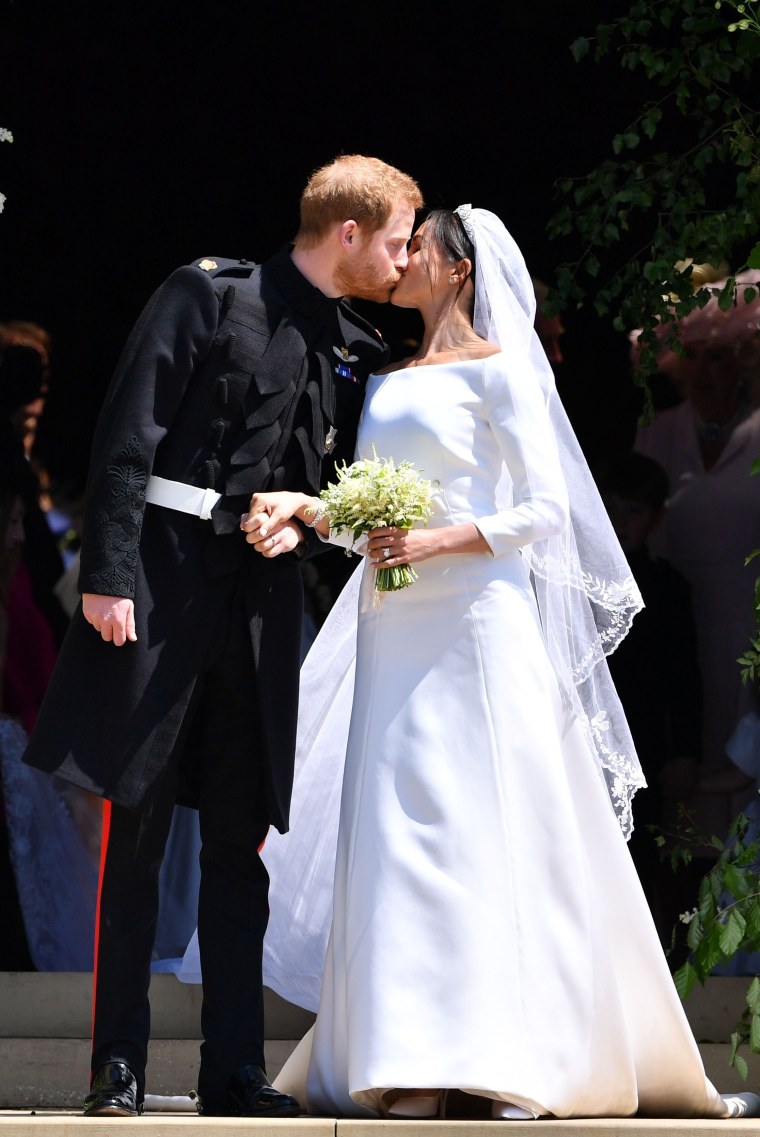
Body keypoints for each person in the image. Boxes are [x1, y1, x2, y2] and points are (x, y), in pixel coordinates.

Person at [233, 207, 759, 1120]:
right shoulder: (390, 376)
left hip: (476, 621)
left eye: (420, 249)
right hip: (394, 625)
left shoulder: (507, 370)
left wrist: (437, 538)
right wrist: (312, 510)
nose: (404, 261)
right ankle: (408, 1054)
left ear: (460, 269)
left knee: (485, 825)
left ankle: (503, 1048)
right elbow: (369, 511)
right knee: (399, 829)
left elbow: (546, 509)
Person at [23, 154, 422, 1118]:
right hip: (161, 592)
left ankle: (232, 1067)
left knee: (242, 843)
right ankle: (116, 1061)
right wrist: (109, 579)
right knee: (142, 833)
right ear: (350, 233)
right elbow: (128, 432)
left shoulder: (351, 341)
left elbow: (330, 475)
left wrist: (305, 516)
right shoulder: (207, 295)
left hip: (260, 610)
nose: (406, 262)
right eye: (401, 240)